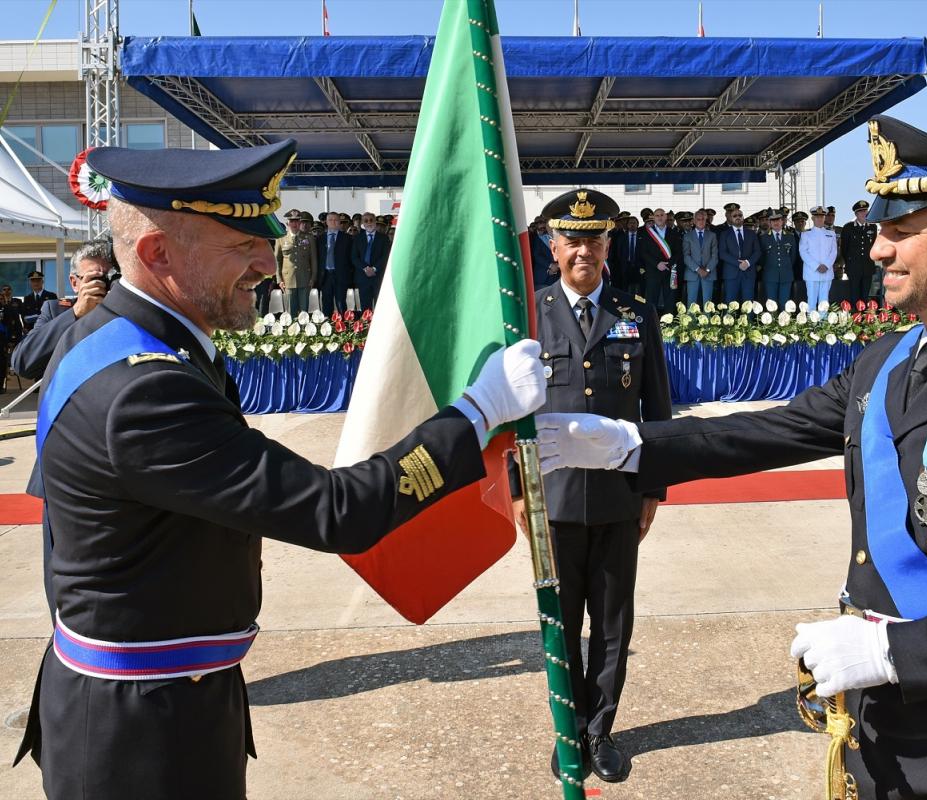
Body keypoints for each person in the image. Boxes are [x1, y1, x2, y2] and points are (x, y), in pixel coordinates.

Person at [534, 115, 927, 798]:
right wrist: (633, 444)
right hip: (875, 731)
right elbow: (770, 431)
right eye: (880, 228)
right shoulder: (887, 361)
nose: (877, 249)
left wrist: (894, 651)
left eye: (900, 231)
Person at [13, 138, 547, 800]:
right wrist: (477, 411)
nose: (270, 264)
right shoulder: (145, 390)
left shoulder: (122, 342)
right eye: (242, 246)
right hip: (142, 734)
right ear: (157, 254)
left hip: (156, 694)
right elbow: (339, 512)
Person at [510, 188, 671, 785]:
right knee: (560, 622)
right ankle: (568, 728)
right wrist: (516, 490)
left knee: (611, 624)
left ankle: (599, 731)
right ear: (552, 247)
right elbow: (510, 415)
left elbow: (657, 409)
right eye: (572, 240)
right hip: (551, 498)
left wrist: (654, 490)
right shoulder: (529, 314)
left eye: (594, 240)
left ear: (609, 245)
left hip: (618, 497)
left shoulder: (635, 312)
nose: (584, 251)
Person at [11, 239, 116, 381]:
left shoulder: (132, 310)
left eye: (111, 278)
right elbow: (23, 363)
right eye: (96, 278)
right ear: (74, 283)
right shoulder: (56, 311)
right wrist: (76, 313)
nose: (105, 285)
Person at [636, 208, 680, 314]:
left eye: (662, 215)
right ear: (653, 218)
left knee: (669, 299)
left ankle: (669, 325)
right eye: (657, 216)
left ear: (665, 217)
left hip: (669, 270)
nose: (659, 217)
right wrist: (657, 264)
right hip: (653, 271)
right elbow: (643, 252)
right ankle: (651, 324)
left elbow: (678, 252)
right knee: (651, 299)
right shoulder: (647, 233)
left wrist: (668, 264)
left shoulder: (673, 232)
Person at [275, 210, 317, 315]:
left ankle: (304, 330)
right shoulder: (281, 238)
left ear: (300, 223)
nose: (295, 224)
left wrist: (313, 277)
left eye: (297, 221)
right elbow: (277, 260)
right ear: (287, 223)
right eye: (292, 221)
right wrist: (279, 279)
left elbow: (313, 259)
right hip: (288, 280)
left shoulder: (309, 237)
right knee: (290, 312)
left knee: (304, 312)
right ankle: (291, 331)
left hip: (305, 278)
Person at [717, 206, 762, 303]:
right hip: (731, 274)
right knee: (730, 303)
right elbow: (722, 253)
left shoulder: (752, 233)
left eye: (740, 215)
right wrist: (739, 264)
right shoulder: (724, 234)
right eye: (734, 216)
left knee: (748, 303)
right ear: (730, 218)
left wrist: (748, 263)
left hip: (748, 273)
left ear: (743, 218)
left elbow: (757, 252)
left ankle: (749, 319)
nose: (737, 217)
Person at [315, 211, 354, 317]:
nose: (333, 222)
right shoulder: (320, 239)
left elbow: (351, 258)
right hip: (325, 275)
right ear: (326, 222)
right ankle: (327, 326)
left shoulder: (347, 238)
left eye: (336, 220)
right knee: (326, 302)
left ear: (339, 222)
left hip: (341, 275)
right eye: (330, 220)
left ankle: (343, 327)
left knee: (341, 302)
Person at [351, 211, 391, 311]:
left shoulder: (384, 238)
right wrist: (365, 268)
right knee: (365, 308)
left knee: (380, 307)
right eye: (366, 220)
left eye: (371, 220)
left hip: (378, 277)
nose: (369, 222)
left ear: (375, 222)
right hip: (362, 278)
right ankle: (366, 326)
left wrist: (374, 268)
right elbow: (354, 257)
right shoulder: (357, 238)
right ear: (362, 224)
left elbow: (385, 256)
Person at [840, 200, 879, 303]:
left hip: (868, 266)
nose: (864, 213)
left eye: (865, 211)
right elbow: (844, 248)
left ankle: (865, 317)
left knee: (865, 295)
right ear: (856, 214)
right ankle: (855, 316)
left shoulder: (872, 227)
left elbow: (874, 245)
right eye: (861, 211)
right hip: (853, 267)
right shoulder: (848, 227)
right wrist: (848, 263)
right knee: (854, 294)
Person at [799, 206, 837, 309]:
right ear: (812, 218)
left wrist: (826, 265)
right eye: (817, 217)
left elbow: (833, 251)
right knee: (811, 300)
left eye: (822, 217)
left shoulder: (831, 234)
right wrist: (816, 266)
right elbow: (803, 252)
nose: (820, 219)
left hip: (827, 271)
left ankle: (823, 324)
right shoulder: (806, 234)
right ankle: (812, 324)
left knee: (824, 301)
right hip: (812, 272)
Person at [760, 207, 797, 306]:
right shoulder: (763, 238)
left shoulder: (790, 237)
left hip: (786, 275)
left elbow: (793, 256)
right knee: (771, 305)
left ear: (782, 221)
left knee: (784, 304)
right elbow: (761, 258)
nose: (776, 222)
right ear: (770, 222)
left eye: (778, 220)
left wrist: (786, 266)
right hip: (770, 275)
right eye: (773, 220)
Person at [682, 207, 719, 306]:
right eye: (698, 219)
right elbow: (686, 256)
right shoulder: (687, 236)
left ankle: (707, 322)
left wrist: (707, 270)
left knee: (708, 304)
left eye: (703, 219)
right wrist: (698, 269)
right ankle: (691, 322)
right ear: (694, 221)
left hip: (709, 273)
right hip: (692, 273)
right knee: (691, 303)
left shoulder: (712, 235)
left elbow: (715, 256)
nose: (701, 221)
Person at [528, 215, 558, 290]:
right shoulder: (534, 239)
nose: (542, 230)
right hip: (542, 278)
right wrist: (550, 266)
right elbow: (536, 256)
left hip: (558, 277)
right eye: (540, 228)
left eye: (544, 228)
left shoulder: (554, 237)